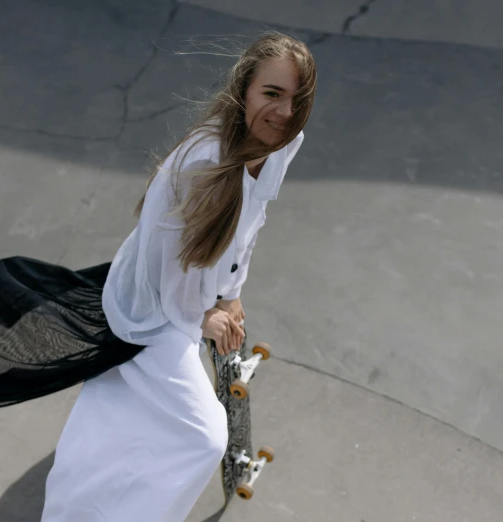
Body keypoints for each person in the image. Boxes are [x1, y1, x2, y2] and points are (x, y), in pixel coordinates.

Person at [40, 32, 316, 521]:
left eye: (298, 99)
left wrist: (231, 293)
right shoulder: (207, 162)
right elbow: (174, 262)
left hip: (188, 297)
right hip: (155, 309)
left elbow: (254, 222)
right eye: (272, 94)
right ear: (244, 91)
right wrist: (204, 317)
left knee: (138, 416)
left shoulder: (284, 142)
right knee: (205, 436)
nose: (284, 112)